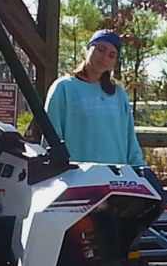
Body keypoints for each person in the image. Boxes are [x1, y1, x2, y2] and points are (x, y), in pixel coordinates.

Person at [44, 29, 146, 167]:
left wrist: (140, 169)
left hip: (115, 178)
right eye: (101, 50)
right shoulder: (63, 88)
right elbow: (51, 138)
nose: (104, 58)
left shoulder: (118, 93)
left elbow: (130, 139)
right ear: (88, 49)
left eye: (112, 55)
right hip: (76, 177)